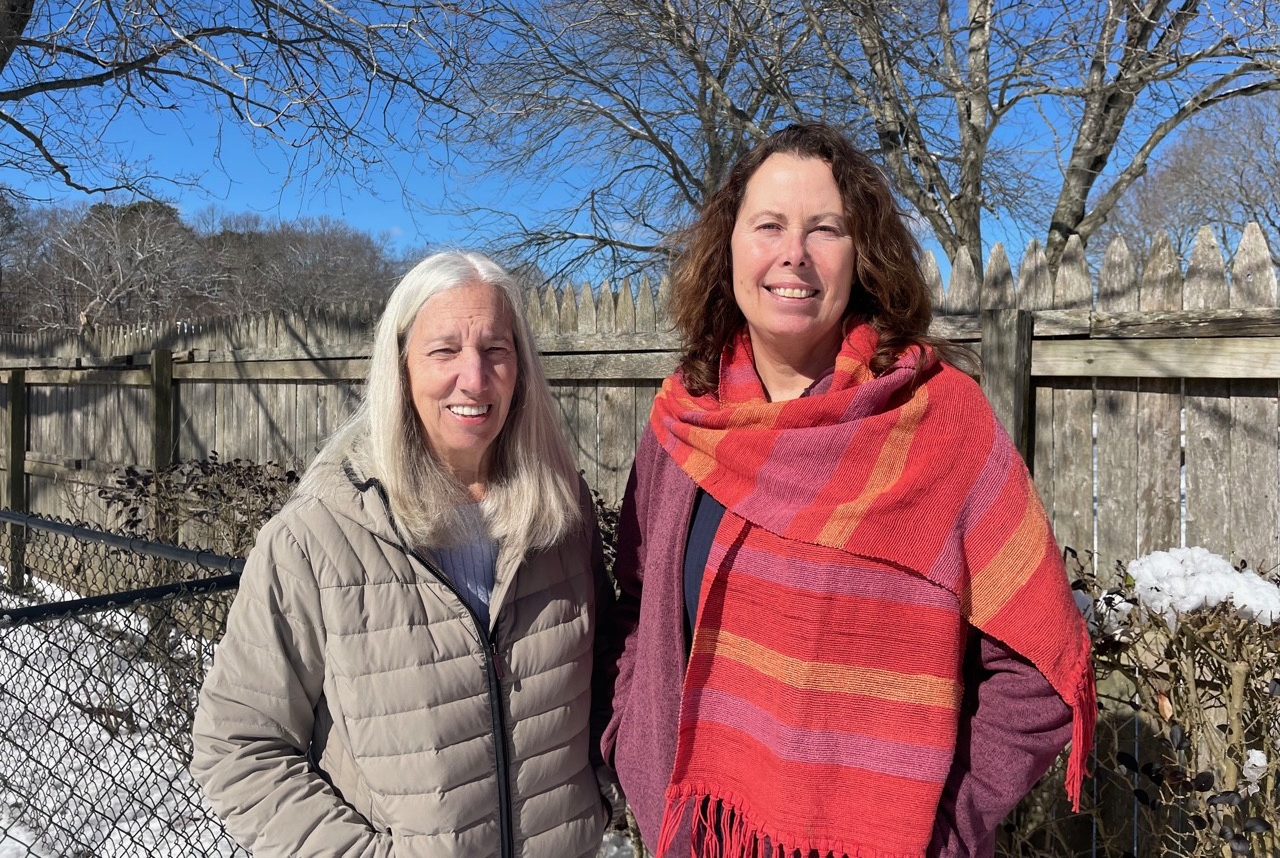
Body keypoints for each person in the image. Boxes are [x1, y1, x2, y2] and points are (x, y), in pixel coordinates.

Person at [600, 123, 1096, 858]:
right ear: (729, 246)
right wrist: (630, 746)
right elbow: (637, 612)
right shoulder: (686, 424)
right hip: (695, 834)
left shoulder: (940, 425)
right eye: (768, 225)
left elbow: (1035, 665)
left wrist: (939, 832)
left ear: (861, 253)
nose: (792, 253)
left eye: (824, 229)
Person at [191, 251, 620, 858]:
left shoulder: (558, 509)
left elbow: (602, 666)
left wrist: (594, 797)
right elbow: (238, 745)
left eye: (496, 349)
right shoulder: (316, 537)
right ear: (400, 366)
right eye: (444, 350)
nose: (474, 378)